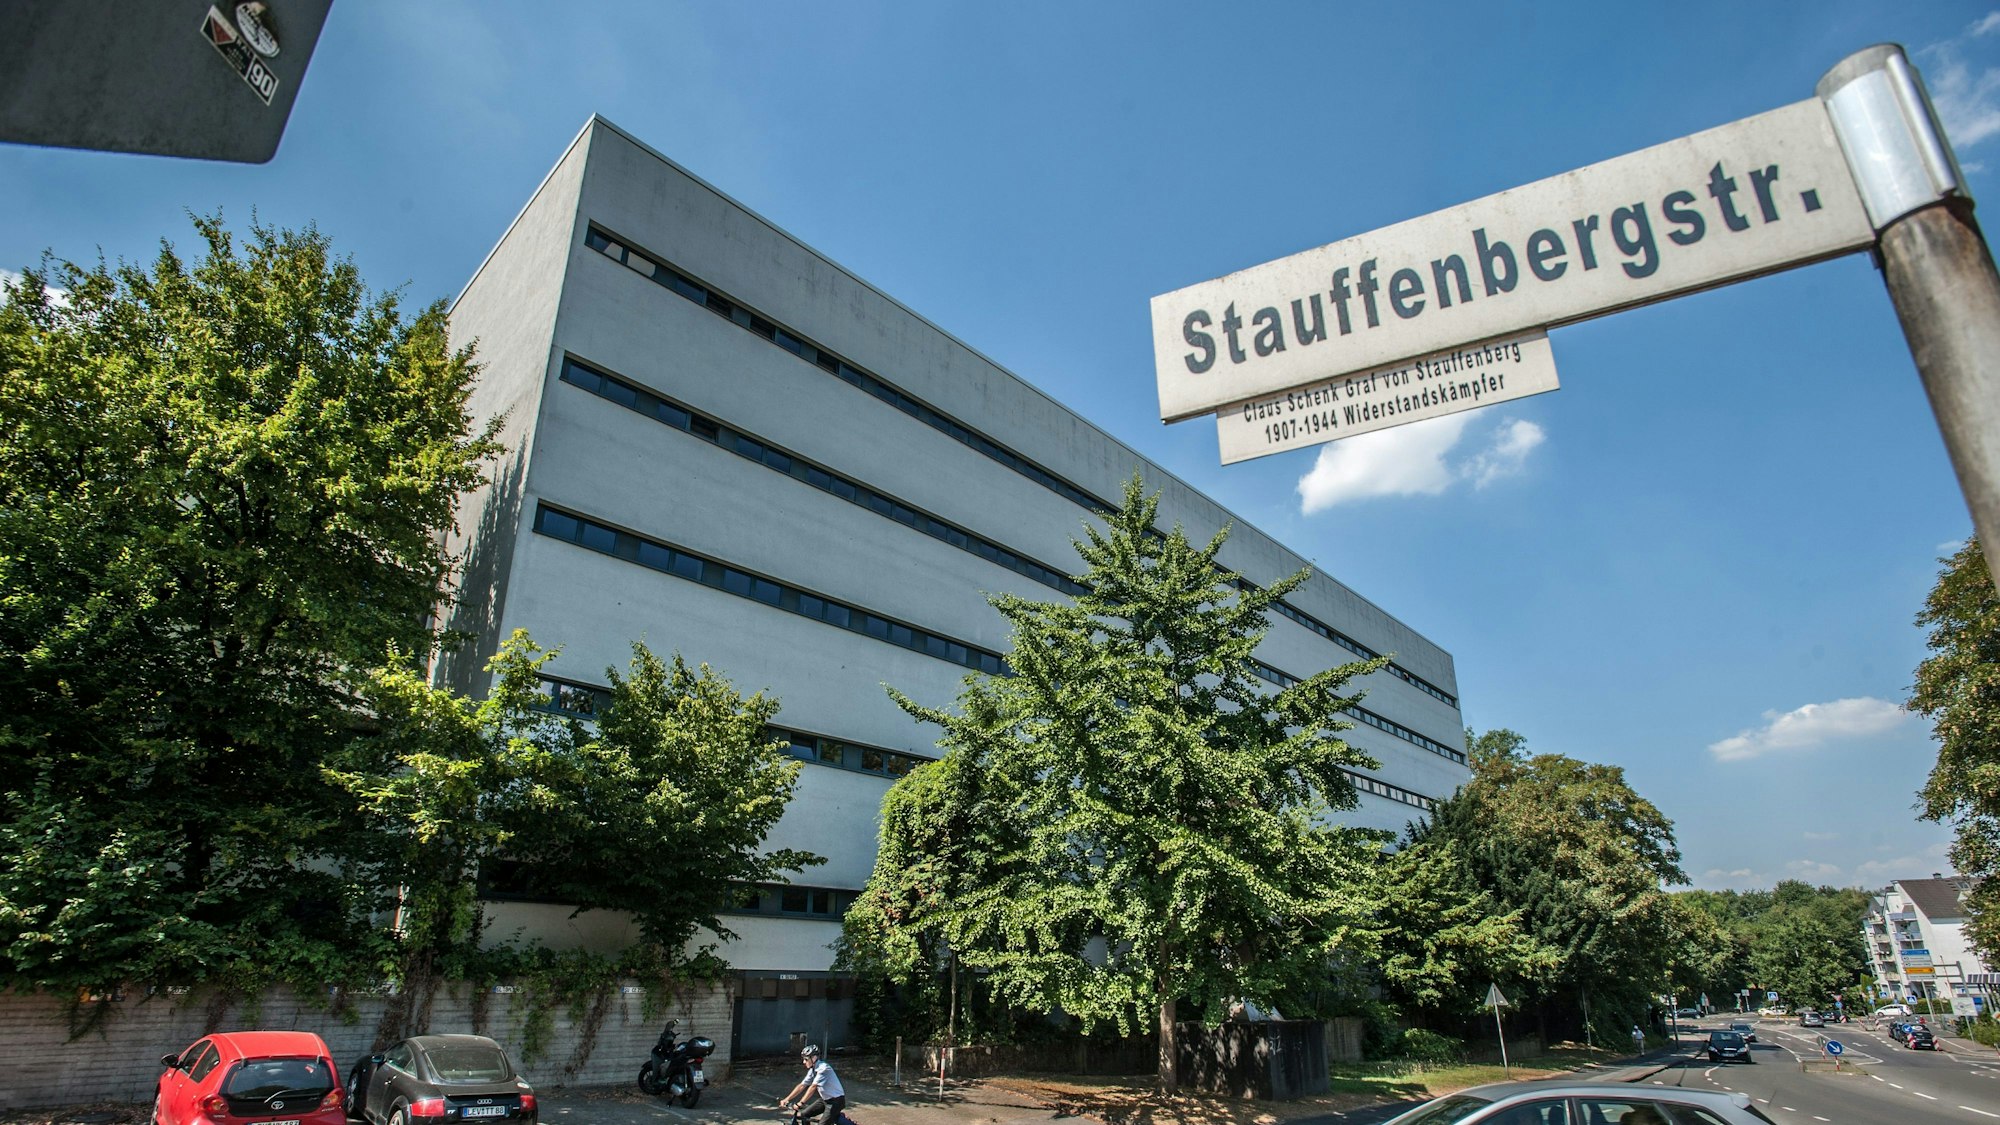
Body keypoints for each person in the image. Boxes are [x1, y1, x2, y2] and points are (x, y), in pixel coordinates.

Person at [780, 1044, 846, 1125]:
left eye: (806, 1059)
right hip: (825, 1100)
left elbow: (813, 1087)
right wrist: (787, 1099)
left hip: (836, 1101)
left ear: (814, 1058)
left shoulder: (823, 1068)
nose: (804, 1062)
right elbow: (802, 1085)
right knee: (804, 1114)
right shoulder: (813, 1069)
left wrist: (801, 1103)